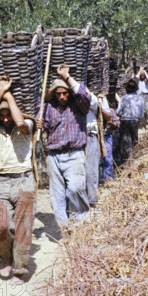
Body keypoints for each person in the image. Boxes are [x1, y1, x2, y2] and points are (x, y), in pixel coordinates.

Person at [0, 76, 36, 284]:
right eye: (2, 116)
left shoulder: (26, 126)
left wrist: (8, 94)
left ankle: (20, 270)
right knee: (1, 226)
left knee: (23, 227)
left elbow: (20, 121)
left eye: (8, 115)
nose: (5, 119)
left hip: (24, 181)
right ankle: (6, 258)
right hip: (2, 182)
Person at [36, 63, 92, 227]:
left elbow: (85, 95)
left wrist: (66, 76)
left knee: (75, 189)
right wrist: (39, 124)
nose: (61, 97)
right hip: (54, 156)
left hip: (74, 154)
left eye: (65, 93)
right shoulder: (47, 107)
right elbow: (40, 124)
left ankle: (80, 223)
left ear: (69, 93)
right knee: (57, 194)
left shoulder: (79, 106)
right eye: (58, 94)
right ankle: (64, 227)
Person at [85, 91, 111, 206]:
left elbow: (109, 116)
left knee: (91, 171)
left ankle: (91, 200)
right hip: (75, 137)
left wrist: (100, 108)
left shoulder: (98, 98)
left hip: (90, 135)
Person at [116, 78, 144, 163]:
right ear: (136, 89)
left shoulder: (123, 98)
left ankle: (126, 163)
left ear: (127, 89)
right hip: (134, 122)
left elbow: (118, 112)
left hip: (124, 123)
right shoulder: (140, 99)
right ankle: (133, 163)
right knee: (134, 143)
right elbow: (141, 115)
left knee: (125, 145)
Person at [101, 101, 119, 181]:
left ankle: (108, 178)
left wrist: (111, 123)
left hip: (107, 136)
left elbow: (117, 125)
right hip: (97, 137)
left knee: (107, 158)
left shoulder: (111, 111)